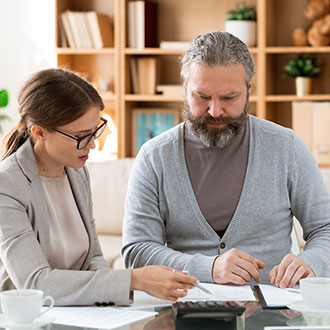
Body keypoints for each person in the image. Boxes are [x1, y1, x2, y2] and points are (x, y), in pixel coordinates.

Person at [122, 31, 330, 289]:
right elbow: (137, 252)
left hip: (273, 313)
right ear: (185, 89)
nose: (215, 111)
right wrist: (209, 268)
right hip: (183, 309)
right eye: (202, 96)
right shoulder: (154, 157)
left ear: (248, 91)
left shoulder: (288, 148)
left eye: (229, 98)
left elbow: (325, 228)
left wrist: (312, 261)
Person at [0, 68, 197, 306]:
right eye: (82, 136)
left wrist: (109, 303)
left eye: (95, 130)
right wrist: (132, 280)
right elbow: (36, 283)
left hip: (78, 313)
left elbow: (94, 257)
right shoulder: (7, 185)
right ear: (39, 132)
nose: (93, 144)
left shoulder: (77, 171)